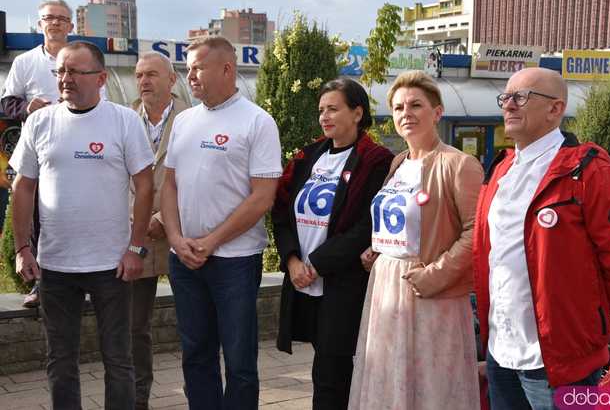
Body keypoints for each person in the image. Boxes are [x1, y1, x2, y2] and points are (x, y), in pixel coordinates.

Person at [473, 67, 610, 410]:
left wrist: (587, 317)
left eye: (521, 97)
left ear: (555, 109)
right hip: (501, 351)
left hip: (562, 360)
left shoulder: (588, 170)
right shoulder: (501, 168)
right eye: (505, 97)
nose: (509, 105)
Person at [9, 41, 154, 410]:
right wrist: (22, 248)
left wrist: (135, 248)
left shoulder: (124, 120)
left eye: (75, 71)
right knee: (60, 361)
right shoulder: (40, 122)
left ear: (102, 78)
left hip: (112, 266)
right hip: (55, 266)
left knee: (118, 359)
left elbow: (145, 184)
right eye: (60, 71)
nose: (65, 79)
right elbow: (23, 186)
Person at [348, 70, 483, 410]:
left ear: (437, 112)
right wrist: (376, 250)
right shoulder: (397, 162)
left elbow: (476, 231)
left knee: (432, 383)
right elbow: (399, 222)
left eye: (415, 105)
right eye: (398, 107)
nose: (405, 113)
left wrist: (434, 275)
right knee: (389, 378)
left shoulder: (459, 164)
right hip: (386, 287)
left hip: (430, 290)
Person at [160, 36, 282, 410]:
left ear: (227, 69)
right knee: (195, 354)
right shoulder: (183, 121)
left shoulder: (257, 122)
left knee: (240, 360)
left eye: (197, 67)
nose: (189, 75)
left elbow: (263, 197)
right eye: (187, 68)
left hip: (235, 262)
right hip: (184, 260)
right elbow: (169, 185)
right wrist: (177, 238)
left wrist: (211, 241)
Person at [272, 78, 393, 410]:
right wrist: (293, 260)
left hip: (342, 283)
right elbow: (281, 211)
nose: (325, 116)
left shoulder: (376, 160)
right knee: (323, 367)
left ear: (357, 113)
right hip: (304, 279)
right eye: (321, 110)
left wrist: (317, 264)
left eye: (333, 109)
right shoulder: (307, 157)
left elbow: (366, 226)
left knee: (333, 372)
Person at [1, 0, 74, 308]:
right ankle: (40, 285)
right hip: (41, 151)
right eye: (49, 18)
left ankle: (81, 281)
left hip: (79, 149)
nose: (54, 23)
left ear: (71, 26)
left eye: (61, 18)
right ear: (39, 24)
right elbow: (6, 104)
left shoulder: (83, 58)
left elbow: (103, 97)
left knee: (77, 215)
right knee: (39, 217)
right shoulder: (25, 62)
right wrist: (27, 107)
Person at [130, 51, 188, 410]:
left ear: (172, 80)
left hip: (184, 231)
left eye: (152, 74)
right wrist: (138, 223)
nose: (144, 81)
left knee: (196, 324)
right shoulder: (123, 119)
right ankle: (137, 398)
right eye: (138, 75)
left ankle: (202, 393)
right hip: (137, 234)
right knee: (134, 327)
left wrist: (164, 220)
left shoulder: (193, 119)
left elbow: (202, 179)